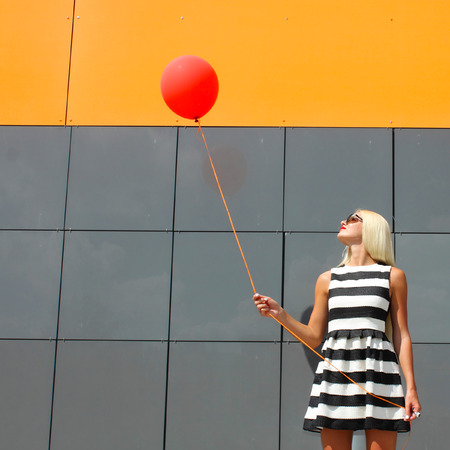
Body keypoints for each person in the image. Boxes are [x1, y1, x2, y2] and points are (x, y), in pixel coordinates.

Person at [254, 210, 421, 450]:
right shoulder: (327, 279)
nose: (343, 222)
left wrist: (411, 389)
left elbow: (402, 335)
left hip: (380, 373)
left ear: (373, 228)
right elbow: (313, 336)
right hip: (336, 373)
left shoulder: (393, 277)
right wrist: (280, 314)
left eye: (353, 219)